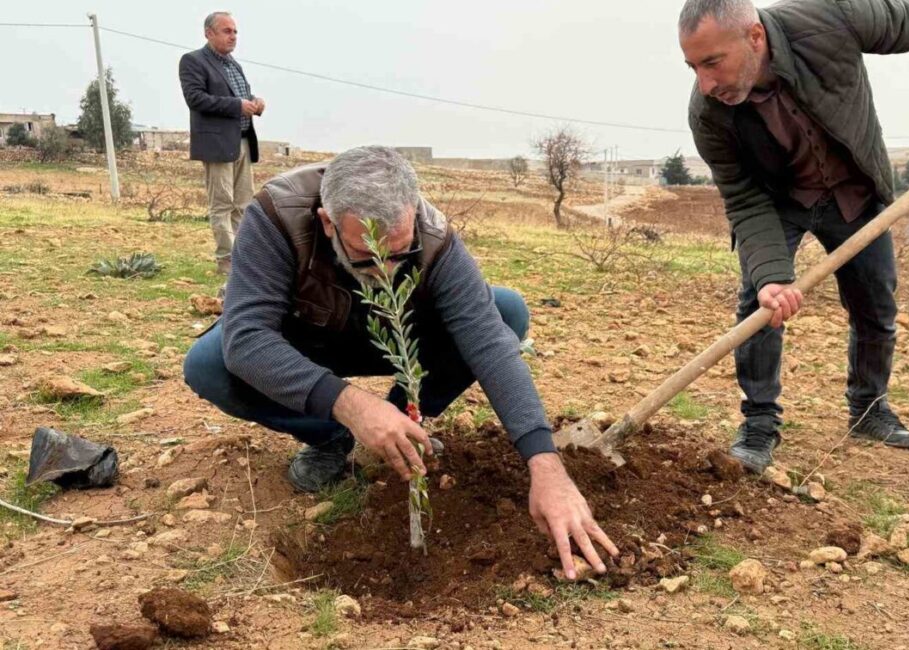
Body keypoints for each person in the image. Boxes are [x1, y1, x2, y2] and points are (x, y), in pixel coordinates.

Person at [182, 146, 618, 579]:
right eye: (368, 256)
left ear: (411, 215)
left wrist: (545, 464)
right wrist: (352, 406)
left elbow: (489, 341)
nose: (388, 271)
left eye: (400, 254)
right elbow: (247, 339)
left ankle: (403, 427)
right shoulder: (278, 216)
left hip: (394, 336)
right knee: (210, 363)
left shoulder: (431, 233)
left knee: (505, 312)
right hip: (304, 340)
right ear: (328, 223)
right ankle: (333, 438)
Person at [679, 0, 909, 472]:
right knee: (760, 304)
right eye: (693, 66)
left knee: (875, 301)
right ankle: (758, 423)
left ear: (754, 38)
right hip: (777, 201)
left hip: (854, 192)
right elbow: (745, 199)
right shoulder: (708, 114)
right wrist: (773, 275)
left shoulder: (828, 19)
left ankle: (869, 409)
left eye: (713, 62)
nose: (705, 82)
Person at [179, 11, 264, 276]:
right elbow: (196, 99)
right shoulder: (193, 61)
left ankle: (241, 258)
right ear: (209, 33)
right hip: (217, 145)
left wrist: (254, 102)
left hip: (242, 141)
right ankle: (226, 261)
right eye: (227, 31)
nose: (233, 36)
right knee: (222, 204)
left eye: (235, 31)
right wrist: (238, 105)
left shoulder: (233, 64)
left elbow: (239, 96)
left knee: (243, 203)